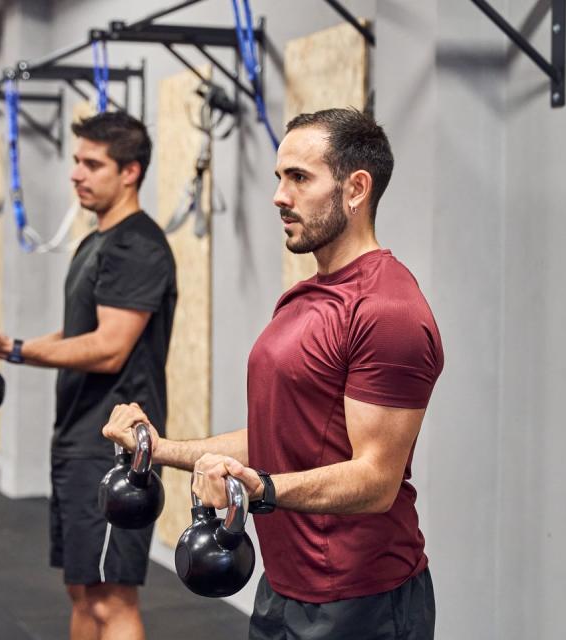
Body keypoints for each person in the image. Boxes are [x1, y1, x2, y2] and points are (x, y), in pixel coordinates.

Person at [103, 107, 443, 639]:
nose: (280, 196)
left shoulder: (387, 309)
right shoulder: (305, 295)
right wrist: (159, 448)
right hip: (285, 586)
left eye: (300, 178)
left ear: (356, 189)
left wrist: (258, 489)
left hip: (361, 601)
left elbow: (377, 480)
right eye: (279, 178)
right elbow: (278, 437)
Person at [0, 111, 177, 640]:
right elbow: (80, 331)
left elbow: (108, 349)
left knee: (111, 598)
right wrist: (9, 347)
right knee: (82, 590)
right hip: (79, 437)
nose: (77, 173)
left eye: (92, 163)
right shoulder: (96, 241)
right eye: (76, 161)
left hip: (115, 448)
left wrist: (24, 351)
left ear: (130, 172)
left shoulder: (136, 246)